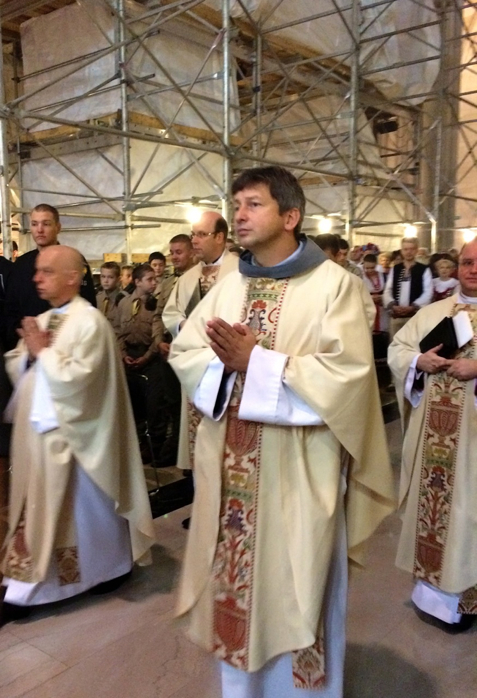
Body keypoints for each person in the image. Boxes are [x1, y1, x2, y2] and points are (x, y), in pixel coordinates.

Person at [169, 166, 395, 698]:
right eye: (237, 205)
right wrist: (227, 365)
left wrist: (257, 363)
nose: (240, 215)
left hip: (299, 473)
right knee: (236, 585)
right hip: (233, 478)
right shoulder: (229, 286)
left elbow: (347, 376)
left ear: (290, 216)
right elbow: (186, 351)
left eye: (253, 204)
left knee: (298, 583)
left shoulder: (335, 286)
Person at [1, 246, 155, 622]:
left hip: (78, 438)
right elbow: (19, 360)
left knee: (81, 513)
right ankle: (98, 571)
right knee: (54, 513)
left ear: (73, 277)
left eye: (47, 272)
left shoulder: (90, 322)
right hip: (43, 433)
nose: (37, 278)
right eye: (37, 271)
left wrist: (42, 353)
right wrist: (29, 354)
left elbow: (84, 380)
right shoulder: (45, 318)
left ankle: (51, 586)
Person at [388, 238, 477, 633]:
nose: (473, 269)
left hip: (473, 444)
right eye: (467, 262)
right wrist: (418, 361)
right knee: (436, 513)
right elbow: (398, 349)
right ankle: (438, 602)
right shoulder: (433, 313)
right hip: (432, 442)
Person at [162, 211, 238, 473]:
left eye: (201, 234)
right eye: (193, 234)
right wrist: (185, 326)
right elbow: (171, 313)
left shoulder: (240, 271)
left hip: (226, 361)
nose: (194, 240)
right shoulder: (187, 277)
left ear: (220, 237)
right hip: (195, 362)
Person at [4, 204, 96, 349]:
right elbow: (10, 309)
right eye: (34, 224)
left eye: (46, 224)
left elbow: (88, 303)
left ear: (58, 227)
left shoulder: (73, 261)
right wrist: (22, 334)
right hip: (26, 344)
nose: (39, 230)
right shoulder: (21, 265)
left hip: (66, 343)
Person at [151, 234, 196, 466]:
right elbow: (158, 315)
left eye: (179, 252)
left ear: (192, 252)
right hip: (167, 351)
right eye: (172, 252)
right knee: (171, 403)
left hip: (189, 352)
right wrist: (159, 341)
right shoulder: (167, 284)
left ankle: (185, 453)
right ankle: (175, 449)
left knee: (188, 405)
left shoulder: (200, 281)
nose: (174, 257)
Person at [117, 263, 166, 463]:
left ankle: (155, 448)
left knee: (154, 406)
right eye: (149, 279)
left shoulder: (157, 305)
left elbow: (158, 335)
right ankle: (139, 445)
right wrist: (123, 354)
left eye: (155, 279)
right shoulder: (124, 304)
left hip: (150, 358)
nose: (154, 283)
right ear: (137, 282)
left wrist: (146, 357)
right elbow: (118, 332)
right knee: (134, 406)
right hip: (130, 356)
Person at [383, 237, 433, 342]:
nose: (408, 252)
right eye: (405, 249)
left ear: (416, 250)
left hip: (415, 316)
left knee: (414, 345)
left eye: (411, 249)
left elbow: (428, 292)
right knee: (395, 345)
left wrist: (413, 306)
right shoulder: (395, 269)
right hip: (396, 316)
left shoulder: (424, 269)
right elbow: (387, 290)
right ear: (401, 250)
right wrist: (393, 305)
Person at [96, 261, 122, 330]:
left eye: (110, 277)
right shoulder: (97, 298)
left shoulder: (123, 299)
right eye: (103, 277)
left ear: (118, 279)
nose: (106, 281)